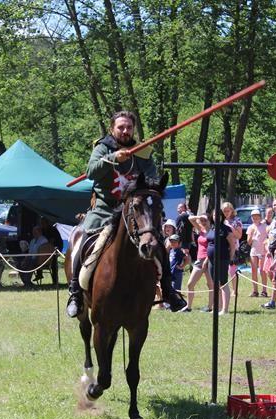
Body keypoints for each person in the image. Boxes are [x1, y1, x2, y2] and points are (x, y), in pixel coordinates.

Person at [65, 110, 187, 316]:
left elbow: (152, 178)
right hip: (105, 208)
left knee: (156, 242)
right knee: (83, 237)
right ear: (112, 128)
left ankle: (169, 290)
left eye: (129, 127)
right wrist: (113, 158)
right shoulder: (103, 147)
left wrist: (147, 187)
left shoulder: (142, 152)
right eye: (121, 127)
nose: (125, 131)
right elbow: (91, 171)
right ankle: (76, 292)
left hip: (135, 210)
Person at [206, 212, 235, 314]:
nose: (216, 217)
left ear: (222, 216)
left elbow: (232, 245)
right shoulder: (211, 228)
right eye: (214, 215)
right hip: (211, 260)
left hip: (223, 259)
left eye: (218, 215)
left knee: (223, 283)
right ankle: (217, 308)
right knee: (215, 284)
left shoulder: (226, 229)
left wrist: (230, 258)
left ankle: (225, 309)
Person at [185, 214, 213, 313]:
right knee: (190, 284)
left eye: (205, 220)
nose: (203, 222)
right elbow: (189, 218)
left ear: (210, 220)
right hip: (199, 260)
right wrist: (199, 217)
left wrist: (207, 260)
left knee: (211, 285)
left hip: (209, 260)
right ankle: (188, 307)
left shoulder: (213, 232)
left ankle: (210, 307)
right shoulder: (200, 229)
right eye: (202, 221)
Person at [246, 209, 268, 297]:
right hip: (254, 252)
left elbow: (268, 237)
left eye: (257, 216)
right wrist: (251, 235)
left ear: (260, 217)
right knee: (254, 271)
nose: (255, 218)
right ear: (251, 218)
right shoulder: (250, 227)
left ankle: (264, 291)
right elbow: (248, 242)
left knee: (262, 271)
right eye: (253, 217)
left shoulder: (264, 226)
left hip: (262, 251)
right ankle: (255, 291)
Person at [40, 218, 63, 285]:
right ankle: (39, 275)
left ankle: (55, 281)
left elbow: (52, 241)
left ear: (46, 223)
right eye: (41, 223)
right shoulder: (42, 230)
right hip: (45, 250)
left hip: (55, 248)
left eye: (43, 223)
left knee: (54, 264)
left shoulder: (53, 230)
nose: (42, 225)